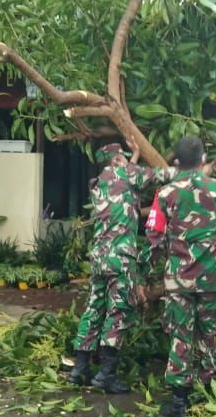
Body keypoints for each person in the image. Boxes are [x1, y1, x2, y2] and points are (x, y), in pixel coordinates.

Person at [142, 134, 216, 417]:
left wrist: (144, 275)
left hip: (179, 282)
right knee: (210, 336)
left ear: (178, 163)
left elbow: (154, 237)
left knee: (181, 336)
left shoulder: (166, 194)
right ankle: (209, 399)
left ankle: (178, 404)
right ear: (205, 159)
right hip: (213, 281)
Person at [68, 141, 176, 393]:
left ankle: (79, 369)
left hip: (99, 257)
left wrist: (135, 155)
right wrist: (190, 172)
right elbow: (162, 174)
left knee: (94, 309)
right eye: (124, 158)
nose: (128, 162)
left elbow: (128, 184)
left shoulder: (98, 183)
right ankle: (106, 375)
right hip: (121, 258)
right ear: (117, 161)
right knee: (118, 312)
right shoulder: (126, 174)